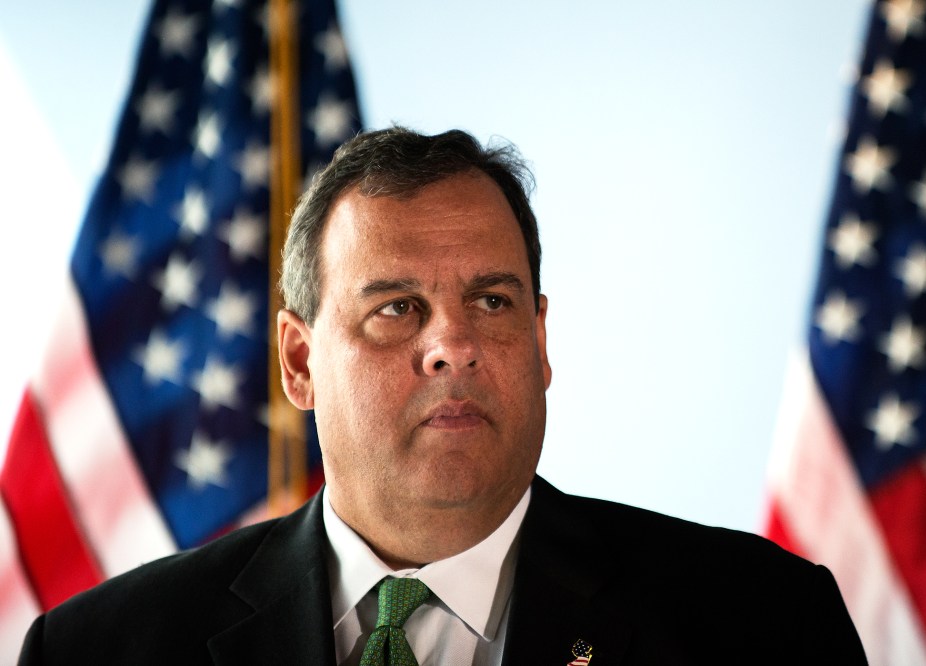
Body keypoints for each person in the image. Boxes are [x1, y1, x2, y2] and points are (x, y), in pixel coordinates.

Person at [18, 127, 867, 664]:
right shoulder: (97, 652)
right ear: (299, 362)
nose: (454, 345)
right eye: (397, 309)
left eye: (492, 302)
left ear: (540, 342)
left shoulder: (763, 625)